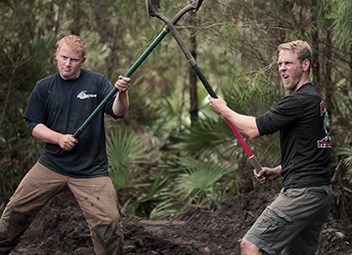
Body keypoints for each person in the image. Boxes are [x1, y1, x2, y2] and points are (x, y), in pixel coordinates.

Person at [0, 35, 131, 255]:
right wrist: (58, 138)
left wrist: (122, 93)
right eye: (63, 57)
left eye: (73, 60)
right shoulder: (44, 87)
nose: (67, 64)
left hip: (91, 170)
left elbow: (118, 111)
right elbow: (33, 125)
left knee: (109, 225)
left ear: (83, 61)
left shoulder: (97, 82)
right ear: (56, 55)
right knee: (15, 212)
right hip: (51, 165)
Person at [209, 40, 332, 255]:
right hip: (319, 193)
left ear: (305, 65)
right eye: (280, 64)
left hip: (302, 193)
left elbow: (254, 129)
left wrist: (224, 110)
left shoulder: (300, 101)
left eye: (288, 63)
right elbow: (313, 151)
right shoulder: (314, 100)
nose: (282, 68)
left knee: (250, 245)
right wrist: (279, 170)